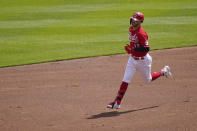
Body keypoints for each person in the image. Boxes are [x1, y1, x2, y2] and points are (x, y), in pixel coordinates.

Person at [107, 12, 172, 109]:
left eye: (136, 20)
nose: (133, 21)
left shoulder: (141, 34)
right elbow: (134, 44)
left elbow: (146, 49)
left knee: (148, 80)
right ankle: (117, 102)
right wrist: (131, 49)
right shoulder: (131, 29)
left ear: (140, 22)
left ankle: (163, 71)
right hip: (132, 60)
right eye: (132, 19)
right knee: (125, 80)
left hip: (143, 61)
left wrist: (133, 50)